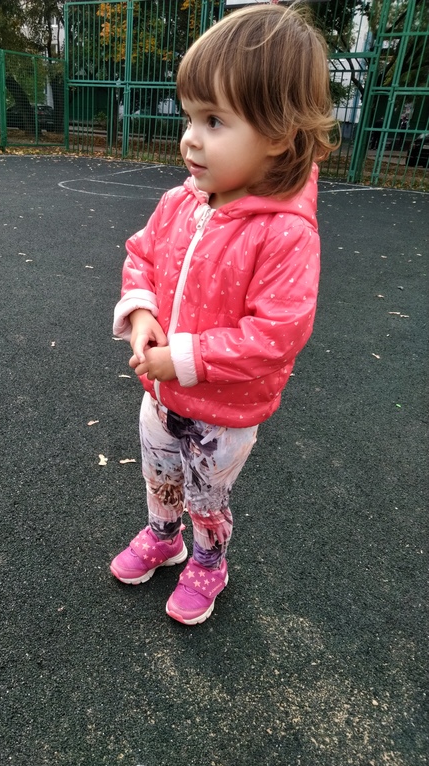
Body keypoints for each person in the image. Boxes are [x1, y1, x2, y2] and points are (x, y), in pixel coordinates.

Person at [110, 3, 338, 625]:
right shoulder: (180, 203)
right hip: (161, 394)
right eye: (189, 116)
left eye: (214, 120)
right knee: (159, 472)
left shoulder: (284, 233)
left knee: (207, 491)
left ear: (278, 135)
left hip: (225, 411)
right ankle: (164, 536)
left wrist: (183, 359)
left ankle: (209, 560)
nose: (191, 137)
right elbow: (141, 257)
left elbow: (276, 334)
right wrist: (142, 313)